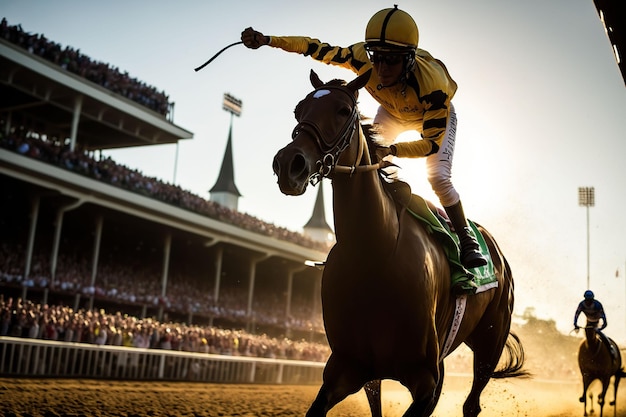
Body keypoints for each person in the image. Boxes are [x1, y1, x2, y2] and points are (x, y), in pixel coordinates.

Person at [241, 6, 486, 294]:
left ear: (409, 59)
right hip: (392, 113)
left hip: (431, 118)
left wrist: (392, 148)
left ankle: (465, 236)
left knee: (438, 177)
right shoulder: (360, 57)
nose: (380, 70)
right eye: (377, 58)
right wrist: (269, 40)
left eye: (391, 61)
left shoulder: (434, 85)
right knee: (370, 165)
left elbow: (430, 144)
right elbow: (314, 48)